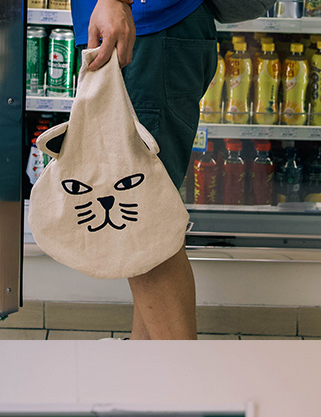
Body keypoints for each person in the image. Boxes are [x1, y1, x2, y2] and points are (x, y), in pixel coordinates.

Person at [73, 0, 218, 339]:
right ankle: (146, 372)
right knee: (142, 218)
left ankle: (180, 383)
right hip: (147, 30)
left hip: (147, 30)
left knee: (141, 221)